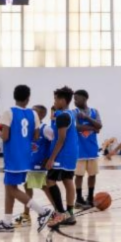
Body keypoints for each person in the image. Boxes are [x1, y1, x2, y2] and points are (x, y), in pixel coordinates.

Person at [0, 85, 57, 232]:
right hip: (26, 157)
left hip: (13, 156)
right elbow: (36, 136)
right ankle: (7, 222)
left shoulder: (8, 112)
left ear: (14, 96)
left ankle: (43, 211)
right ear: (28, 98)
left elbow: (5, 136)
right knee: (9, 188)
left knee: (12, 189)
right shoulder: (34, 115)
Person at [45, 87, 82, 227]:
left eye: (55, 99)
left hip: (63, 154)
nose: (54, 101)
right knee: (67, 180)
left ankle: (60, 213)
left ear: (62, 100)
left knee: (50, 181)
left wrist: (51, 158)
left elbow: (61, 139)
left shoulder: (62, 116)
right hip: (72, 153)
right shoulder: (69, 114)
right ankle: (70, 214)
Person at [72, 90, 104, 209]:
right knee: (79, 175)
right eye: (74, 99)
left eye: (77, 98)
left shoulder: (95, 112)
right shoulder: (73, 112)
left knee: (92, 175)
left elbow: (100, 125)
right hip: (79, 150)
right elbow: (76, 128)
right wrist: (93, 127)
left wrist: (87, 118)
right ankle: (79, 198)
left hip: (92, 149)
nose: (74, 101)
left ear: (85, 98)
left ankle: (90, 197)